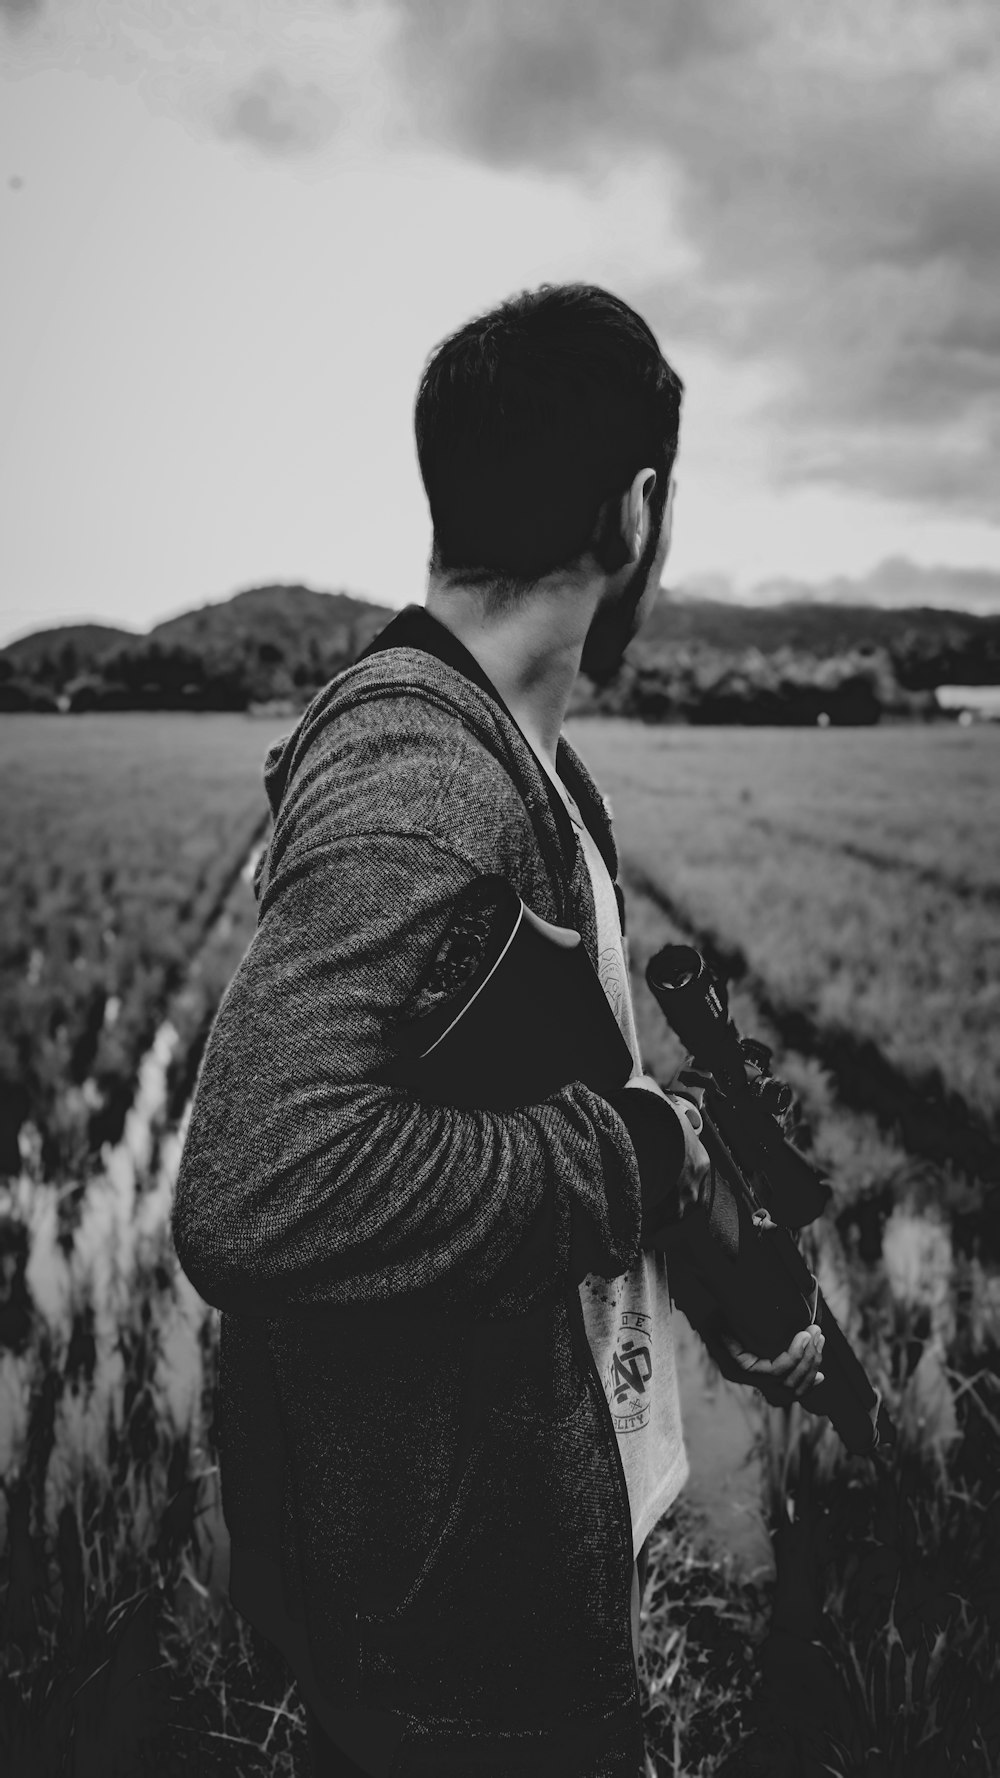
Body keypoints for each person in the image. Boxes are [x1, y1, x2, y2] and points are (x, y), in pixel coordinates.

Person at [171, 282, 824, 1778]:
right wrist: (633, 1149)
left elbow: (538, 1097)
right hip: (458, 1663)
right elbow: (252, 1188)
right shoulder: (426, 779)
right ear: (636, 514)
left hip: (517, 1561)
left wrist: (737, 1288)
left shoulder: (530, 767)